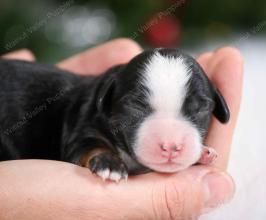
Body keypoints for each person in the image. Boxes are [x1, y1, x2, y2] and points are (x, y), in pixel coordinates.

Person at [0, 38, 243, 220]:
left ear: (216, 105)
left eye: (197, 108)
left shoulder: (110, 104)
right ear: (105, 102)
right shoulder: (88, 119)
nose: (171, 142)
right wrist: (99, 157)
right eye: (138, 108)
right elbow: (81, 147)